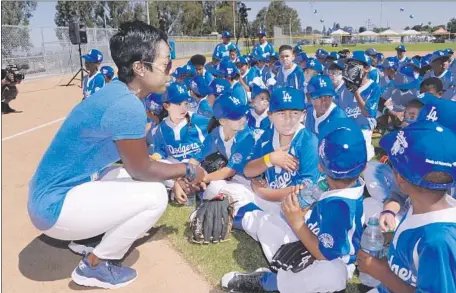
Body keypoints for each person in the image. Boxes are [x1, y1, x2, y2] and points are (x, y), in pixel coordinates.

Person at [28, 21, 205, 289]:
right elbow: (141, 169)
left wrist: (172, 177)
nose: (171, 70)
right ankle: (95, 265)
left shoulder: (118, 92)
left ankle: (87, 238)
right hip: (53, 208)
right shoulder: (126, 105)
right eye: (166, 63)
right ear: (140, 68)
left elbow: (134, 166)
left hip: (57, 192)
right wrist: (187, 169)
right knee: (154, 196)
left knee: (126, 176)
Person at [222, 118, 367, 293]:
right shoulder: (344, 183)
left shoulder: (341, 207)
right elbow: (309, 202)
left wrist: (297, 221)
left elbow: (325, 255)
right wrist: (299, 212)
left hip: (328, 259)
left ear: (320, 166)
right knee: (269, 223)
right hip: (307, 239)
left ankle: (268, 282)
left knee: (333, 274)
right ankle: (236, 214)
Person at [358, 120, 456, 293]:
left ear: (400, 179)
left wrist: (381, 272)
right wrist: (392, 240)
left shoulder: (438, 241)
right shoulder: (421, 205)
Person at [241, 87, 319, 215]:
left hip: (297, 206)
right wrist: (270, 159)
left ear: (303, 115)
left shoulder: (308, 142)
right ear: (270, 116)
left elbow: (306, 191)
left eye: (294, 113)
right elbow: (247, 171)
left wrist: (263, 193)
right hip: (272, 193)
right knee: (224, 187)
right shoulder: (267, 136)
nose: (288, 120)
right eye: (281, 113)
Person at [336, 51, 381, 161]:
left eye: (355, 65)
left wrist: (355, 91)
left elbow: (368, 113)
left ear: (367, 68)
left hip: (363, 128)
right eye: (349, 65)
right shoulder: (343, 87)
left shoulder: (373, 87)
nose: (350, 69)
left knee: (362, 159)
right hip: (346, 127)